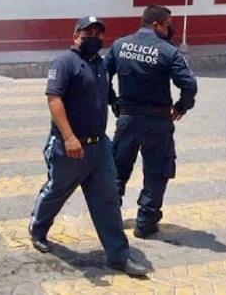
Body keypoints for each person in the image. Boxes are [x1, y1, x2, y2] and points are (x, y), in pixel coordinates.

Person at [29, 16, 149, 277]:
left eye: (98, 32)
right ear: (75, 36)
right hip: (69, 146)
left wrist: (118, 106)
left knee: (107, 201)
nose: (93, 36)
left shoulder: (101, 65)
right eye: (87, 32)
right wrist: (69, 137)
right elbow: (54, 99)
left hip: (100, 148)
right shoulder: (64, 62)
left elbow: (105, 93)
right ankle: (38, 228)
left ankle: (119, 257)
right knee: (56, 192)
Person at [104, 5, 198, 239]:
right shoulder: (168, 51)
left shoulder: (120, 45)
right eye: (168, 23)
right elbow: (189, 84)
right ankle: (145, 223)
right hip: (157, 122)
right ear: (155, 24)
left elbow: (101, 75)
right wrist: (181, 107)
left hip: (127, 119)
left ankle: (108, 219)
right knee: (156, 172)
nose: (171, 28)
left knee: (118, 170)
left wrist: (112, 101)